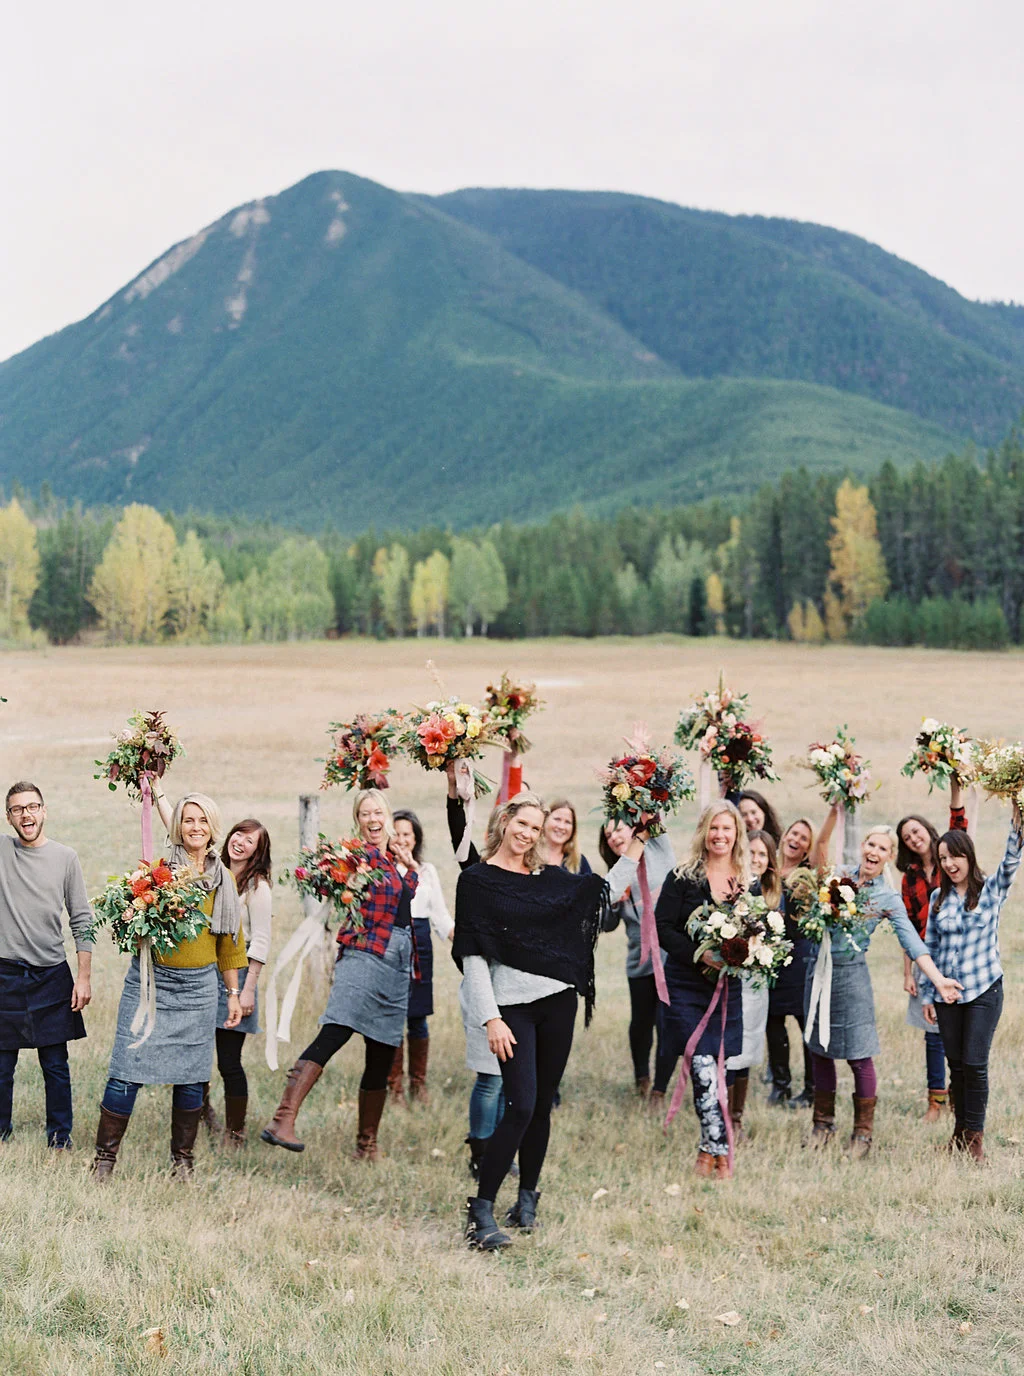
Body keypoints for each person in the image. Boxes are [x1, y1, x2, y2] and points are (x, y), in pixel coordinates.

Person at [457, 792, 643, 1250]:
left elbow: (602, 891)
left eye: (536, 829)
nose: (528, 835)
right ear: (505, 821)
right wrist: (491, 1018)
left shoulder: (550, 879)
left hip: (559, 1003)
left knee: (541, 1106)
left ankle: (526, 1199)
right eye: (523, 824)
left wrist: (638, 843)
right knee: (520, 1104)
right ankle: (480, 1211)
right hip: (511, 1009)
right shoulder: (477, 882)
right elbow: (474, 956)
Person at [92, 792, 246, 1179]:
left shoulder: (222, 879)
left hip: (198, 992)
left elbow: (229, 942)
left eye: (202, 821)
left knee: (192, 1076)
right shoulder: (158, 872)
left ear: (213, 827)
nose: (195, 828)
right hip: (150, 986)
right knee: (126, 1067)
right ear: (177, 825)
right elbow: (134, 926)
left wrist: (232, 994)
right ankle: (104, 1162)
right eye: (188, 820)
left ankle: (182, 1162)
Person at [261, 788, 418, 1162]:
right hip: (363, 953)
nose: (373, 818)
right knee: (336, 1030)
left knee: (382, 1052)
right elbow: (319, 879)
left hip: (396, 963)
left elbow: (404, 903)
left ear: (388, 816)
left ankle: (366, 1146)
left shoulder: (392, 858)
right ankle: (283, 1118)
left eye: (378, 811)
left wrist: (408, 865)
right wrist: (340, 874)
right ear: (358, 821)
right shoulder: (354, 858)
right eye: (365, 813)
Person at [804, 825, 962, 1158]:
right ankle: (822, 1124)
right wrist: (837, 805)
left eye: (882, 848)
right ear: (862, 846)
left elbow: (912, 941)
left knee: (859, 1055)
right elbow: (819, 845)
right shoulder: (837, 875)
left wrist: (936, 979)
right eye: (871, 844)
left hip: (852, 978)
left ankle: (863, 1134)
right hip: (818, 974)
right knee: (819, 1050)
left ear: (890, 857)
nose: (874, 852)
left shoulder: (887, 897)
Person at [655, 801, 751, 1179]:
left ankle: (710, 1149)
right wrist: (701, 956)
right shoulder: (682, 877)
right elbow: (662, 928)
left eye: (727, 829)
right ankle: (718, 1150)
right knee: (701, 1065)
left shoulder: (746, 880)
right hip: (686, 986)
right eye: (714, 828)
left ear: (737, 834)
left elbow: (757, 931)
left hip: (728, 989)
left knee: (719, 1069)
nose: (720, 835)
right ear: (703, 832)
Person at [920, 807, 1022, 1162]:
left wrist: (1017, 821)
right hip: (947, 995)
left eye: (955, 856)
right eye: (943, 858)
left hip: (983, 990)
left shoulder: (990, 891)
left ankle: (975, 1139)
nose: (949, 864)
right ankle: (959, 1134)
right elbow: (929, 948)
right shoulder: (937, 899)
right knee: (957, 1065)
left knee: (976, 1064)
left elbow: (1011, 861)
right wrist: (929, 993)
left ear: (968, 855)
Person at [0, 782, 93, 1150]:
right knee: (1, 1067)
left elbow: (82, 919)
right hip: (4, 973)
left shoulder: (65, 857)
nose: (26, 814)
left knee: (55, 1065)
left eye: (33, 806)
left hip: (52, 974)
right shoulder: (2, 850)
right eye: (18, 809)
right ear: (8, 817)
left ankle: (60, 1137)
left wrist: (83, 978)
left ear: (44, 810)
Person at [895, 781, 967, 1121]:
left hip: (957, 952)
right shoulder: (909, 878)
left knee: (961, 1029)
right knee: (933, 1032)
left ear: (927, 829)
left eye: (916, 831)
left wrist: (956, 789)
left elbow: (959, 823)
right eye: (907, 837)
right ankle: (935, 1101)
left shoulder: (949, 859)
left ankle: (959, 1094)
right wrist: (908, 972)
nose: (914, 838)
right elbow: (906, 928)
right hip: (926, 958)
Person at [199, 818, 273, 1147]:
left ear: (258, 852)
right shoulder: (212, 871)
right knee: (197, 1052)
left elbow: (261, 942)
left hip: (238, 975)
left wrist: (248, 989)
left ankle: (235, 1131)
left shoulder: (258, 888)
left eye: (251, 841)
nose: (241, 843)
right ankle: (201, 1112)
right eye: (239, 835)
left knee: (229, 1061)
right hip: (203, 971)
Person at [598, 820, 674, 1100]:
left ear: (635, 831)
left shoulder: (660, 852)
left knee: (667, 1023)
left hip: (670, 960)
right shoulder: (616, 876)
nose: (614, 837)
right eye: (608, 835)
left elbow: (652, 814)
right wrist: (613, 902)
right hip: (639, 962)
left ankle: (660, 1089)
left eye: (618, 829)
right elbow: (607, 926)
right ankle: (641, 1078)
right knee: (641, 1023)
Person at [387, 809, 453, 1106]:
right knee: (393, 1016)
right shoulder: (382, 868)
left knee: (418, 1016)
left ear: (416, 839)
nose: (402, 840)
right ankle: (395, 1087)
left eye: (407, 835)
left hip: (420, 942)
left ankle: (418, 1084)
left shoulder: (427, 871)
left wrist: (467, 942)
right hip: (390, 943)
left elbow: (441, 916)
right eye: (397, 834)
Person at [724, 829, 779, 1137]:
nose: (756, 860)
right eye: (752, 853)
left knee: (748, 1045)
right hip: (731, 978)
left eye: (763, 855)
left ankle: (737, 1117)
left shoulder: (771, 895)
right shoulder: (732, 888)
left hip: (757, 981)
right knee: (730, 1046)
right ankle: (723, 1115)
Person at [544, 800, 591, 873]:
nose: (561, 826)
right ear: (545, 820)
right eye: (557, 819)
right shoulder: (528, 856)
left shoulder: (580, 862)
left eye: (567, 822)